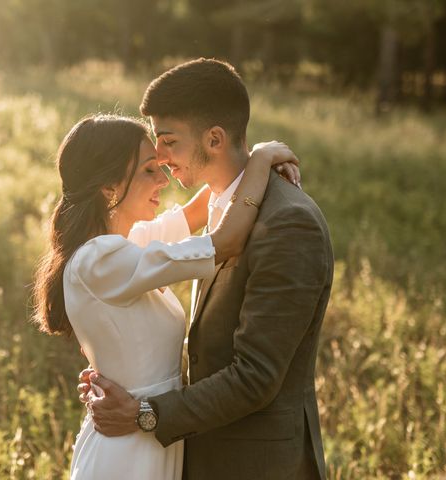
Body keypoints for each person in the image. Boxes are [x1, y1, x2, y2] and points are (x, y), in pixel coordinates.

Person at [77, 58, 334, 480]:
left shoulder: (288, 222)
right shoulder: (218, 206)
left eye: (169, 141)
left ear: (214, 138)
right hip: (203, 454)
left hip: (259, 467)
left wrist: (144, 413)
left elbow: (256, 376)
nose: (160, 159)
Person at [32, 111, 299, 479]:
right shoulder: (102, 260)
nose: (164, 178)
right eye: (148, 170)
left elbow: (195, 213)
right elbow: (226, 240)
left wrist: (240, 160)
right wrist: (263, 158)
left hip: (150, 436)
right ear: (109, 187)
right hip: (126, 453)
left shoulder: (128, 245)